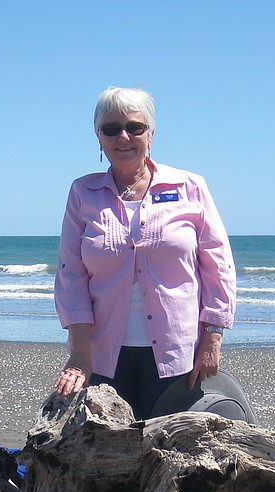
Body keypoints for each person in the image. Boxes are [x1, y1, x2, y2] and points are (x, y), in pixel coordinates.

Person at [52, 86, 236, 419]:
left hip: (177, 356)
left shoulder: (190, 187)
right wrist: (79, 354)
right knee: (111, 457)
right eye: (111, 128)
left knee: (169, 454)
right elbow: (71, 275)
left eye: (134, 127)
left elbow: (218, 264)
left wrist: (213, 338)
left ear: (150, 134)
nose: (123, 136)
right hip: (104, 358)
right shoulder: (83, 193)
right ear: (99, 137)